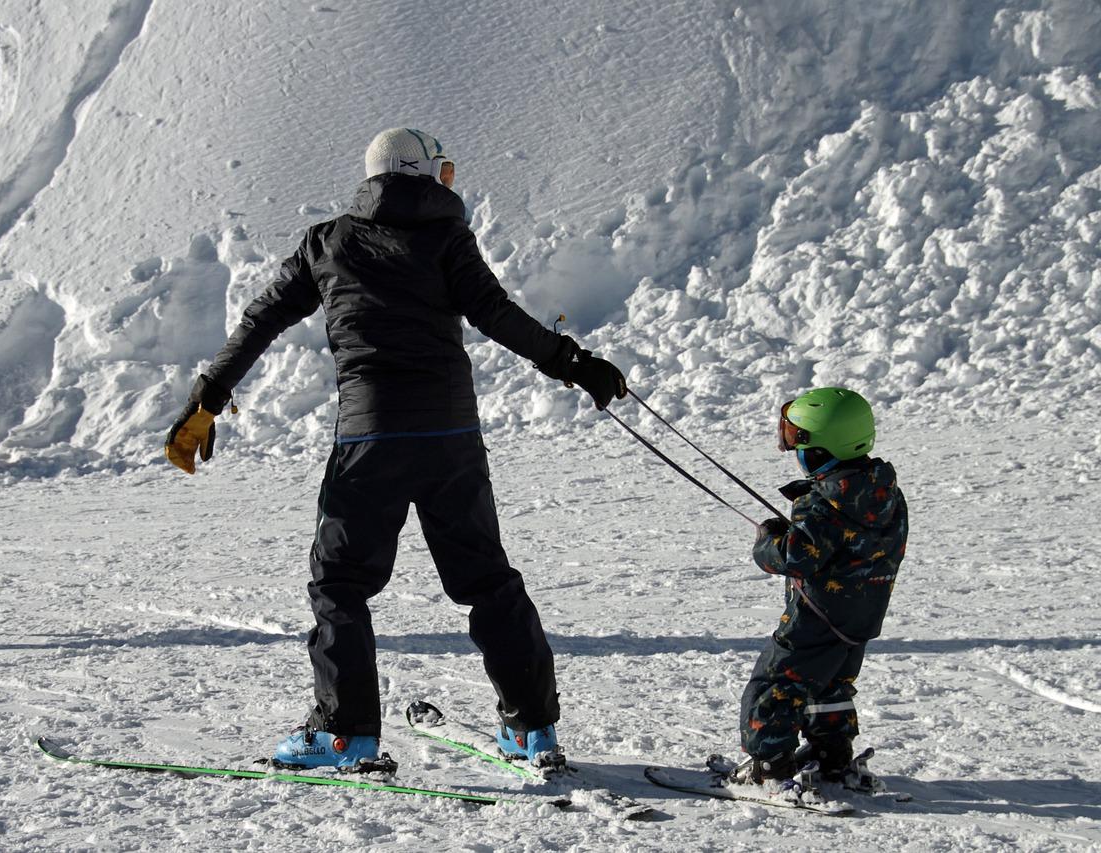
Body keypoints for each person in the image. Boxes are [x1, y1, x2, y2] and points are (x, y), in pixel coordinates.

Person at [165, 128, 627, 772]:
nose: (448, 181)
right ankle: (531, 730)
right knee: (487, 580)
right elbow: (497, 314)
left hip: (371, 438)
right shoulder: (446, 238)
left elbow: (262, 315)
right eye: (442, 171)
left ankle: (345, 734)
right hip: (449, 438)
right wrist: (572, 363)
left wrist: (210, 392)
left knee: (340, 585)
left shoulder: (328, 241)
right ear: (422, 172)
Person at [735, 387, 907, 786]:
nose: (791, 447)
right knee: (831, 684)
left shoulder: (824, 503)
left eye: (796, 439)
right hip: (859, 617)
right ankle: (832, 756)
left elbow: (795, 557)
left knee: (775, 685)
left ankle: (770, 765)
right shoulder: (883, 493)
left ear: (817, 448)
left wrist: (770, 540)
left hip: (816, 616)